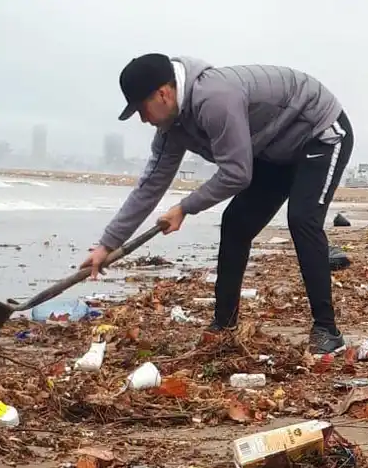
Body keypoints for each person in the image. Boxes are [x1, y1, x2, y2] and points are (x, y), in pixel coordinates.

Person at [82, 53, 353, 355]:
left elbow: (237, 173)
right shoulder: (172, 127)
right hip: (274, 150)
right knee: (236, 223)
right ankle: (224, 325)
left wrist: (185, 208)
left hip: (319, 132)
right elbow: (151, 185)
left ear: (163, 94)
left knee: (303, 219)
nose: (143, 120)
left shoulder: (215, 99)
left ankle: (327, 330)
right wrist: (108, 244)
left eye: (142, 110)